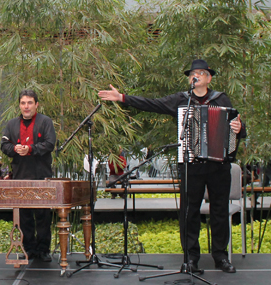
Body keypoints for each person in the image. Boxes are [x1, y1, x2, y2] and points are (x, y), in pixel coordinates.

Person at [98, 59, 246, 273]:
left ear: (209, 78)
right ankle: (191, 258)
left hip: (218, 165)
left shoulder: (221, 99)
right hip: (190, 164)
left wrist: (239, 127)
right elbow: (153, 104)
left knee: (220, 211)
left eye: (201, 73)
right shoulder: (181, 100)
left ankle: (221, 257)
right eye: (192, 74)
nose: (196, 76)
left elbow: (237, 128)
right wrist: (122, 97)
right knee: (189, 212)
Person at [1, 89, 57, 262]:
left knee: (43, 215)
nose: (26, 106)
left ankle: (43, 250)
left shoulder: (45, 121)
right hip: (20, 176)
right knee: (24, 216)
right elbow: (4, 144)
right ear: (19, 105)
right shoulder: (11, 124)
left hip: (41, 176)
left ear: (36, 104)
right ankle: (29, 249)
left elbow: (49, 144)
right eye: (23, 103)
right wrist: (15, 149)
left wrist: (31, 149)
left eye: (30, 103)